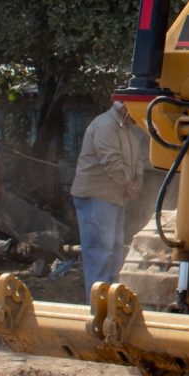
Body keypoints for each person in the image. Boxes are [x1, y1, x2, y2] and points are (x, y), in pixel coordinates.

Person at [70, 101, 146, 300]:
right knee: (100, 253)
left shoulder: (128, 129)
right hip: (96, 196)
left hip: (115, 197)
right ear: (125, 108)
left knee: (113, 252)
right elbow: (112, 162)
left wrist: (137, 180)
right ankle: (98, 306)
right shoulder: (105, 125)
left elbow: (137, 159)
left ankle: (111, 302)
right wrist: (129, 185)